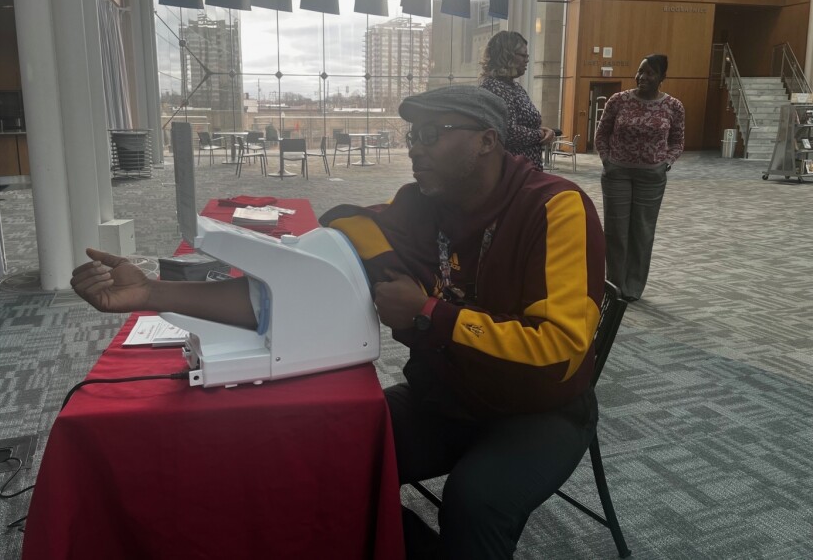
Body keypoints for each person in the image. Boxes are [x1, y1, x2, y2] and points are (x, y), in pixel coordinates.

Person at [72, 85, 605, 559]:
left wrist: (429, 315)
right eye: (411, 133)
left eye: (432, 133)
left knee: (475, 503)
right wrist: (153, 293)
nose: (414, 146)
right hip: (450, 396)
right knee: (318, 454)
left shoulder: (556, 207)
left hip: (540, 411)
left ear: (487, 141)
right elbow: (297, 284)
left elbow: (560, 348)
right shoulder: (421, 205)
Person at [594, 53, 684, 302]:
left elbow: (677, 141)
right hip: (617, 174)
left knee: (642, 232)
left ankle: (633, 288)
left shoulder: (673, 106)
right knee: (616, 231)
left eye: (650, 73)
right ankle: (614, 285)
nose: (642, 77)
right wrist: (606, 160)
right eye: (640, 71)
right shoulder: (618, 100)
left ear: (662, 77)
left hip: (651, 177)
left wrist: (665, 163)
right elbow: (601, 134)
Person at [479, 30, 555, 170]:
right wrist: (540, 134)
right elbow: (508, 132)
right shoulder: (494, 87)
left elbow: (524, 124)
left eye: (527, 56)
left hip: (524, 169)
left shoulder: (514, 87)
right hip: (511, 173)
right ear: (505, 55)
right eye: (522, 55)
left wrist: (544, 131)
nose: (526, 60)